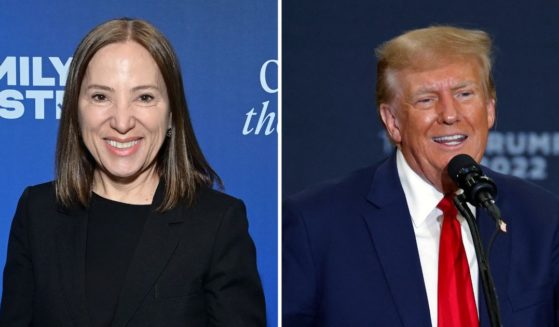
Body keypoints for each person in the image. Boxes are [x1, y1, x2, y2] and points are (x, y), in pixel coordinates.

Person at [283, 25, 559, 326]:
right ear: (392, 121)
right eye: (426, 99)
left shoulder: (542, 219)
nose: (450, 114)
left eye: (464, 94)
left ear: (490, 109)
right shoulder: (317, 224)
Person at [0, 18, 265, 326]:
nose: (122, 121)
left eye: (144, 97)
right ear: (75, 109)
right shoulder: (38, 213)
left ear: (171, 115)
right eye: (101, 96)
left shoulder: (217, 223)